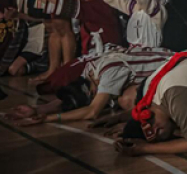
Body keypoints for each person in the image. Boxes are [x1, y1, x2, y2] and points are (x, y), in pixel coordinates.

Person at [9, 45, 172, 127]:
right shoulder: (90, 72)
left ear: (92, 91)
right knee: (122, 97)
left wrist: (49, 118)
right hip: (163, 62)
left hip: (174, 65)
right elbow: (73, 95)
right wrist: (39, 110)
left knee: (127, 100)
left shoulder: (108, 74)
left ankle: (166, 115)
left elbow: (92, 112)